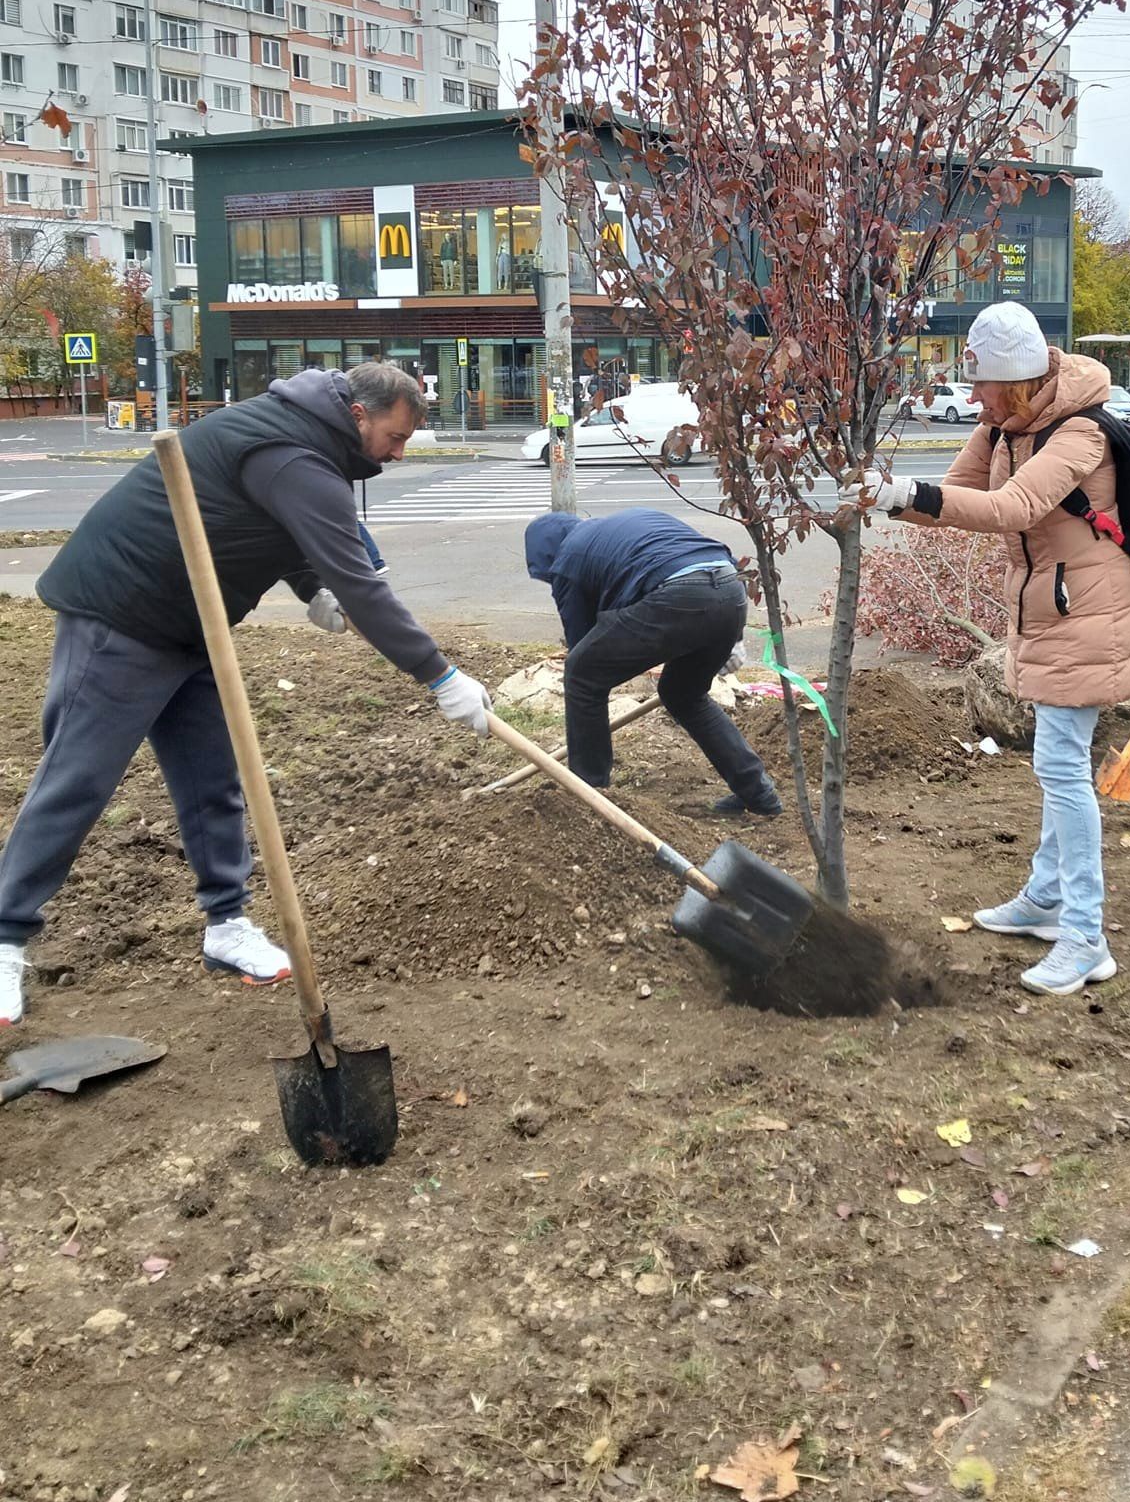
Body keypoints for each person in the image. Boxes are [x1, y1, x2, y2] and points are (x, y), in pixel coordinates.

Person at [0, 361, 493, 1027]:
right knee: (77, 779)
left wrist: (311, 586)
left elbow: (269, 525)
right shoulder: (294, 453)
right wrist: (439, 675)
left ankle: (226, 925)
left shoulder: (307, 439)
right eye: (396, 437)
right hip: (122, 612)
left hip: (194, 621)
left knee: (212, 780)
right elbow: (362, 585)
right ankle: (5, 937)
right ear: (358, 415)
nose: (399, 453)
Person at [862, 301, 1130, 997]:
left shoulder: (1082, 433)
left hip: (1089, 611)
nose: (973, 397)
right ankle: (1047, 900)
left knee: (1061, 765)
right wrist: (888, 497)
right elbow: (955, 498)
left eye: (982, 384)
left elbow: (1012, 509)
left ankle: (1085, 937)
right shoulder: (1002, 427)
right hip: (1046, 609)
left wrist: (907, 491)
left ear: (1015, 382)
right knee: (1057, 761)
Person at [524, 508, 781, 816]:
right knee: (683, 695)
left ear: (547, 556)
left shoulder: (568, 560)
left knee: (582, 676)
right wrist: (733, 637)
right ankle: (759, 795)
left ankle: (590, 797)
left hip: (679, 594)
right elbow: (709, 558)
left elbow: (582, 646)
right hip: (729, 590)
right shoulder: (622, 529)